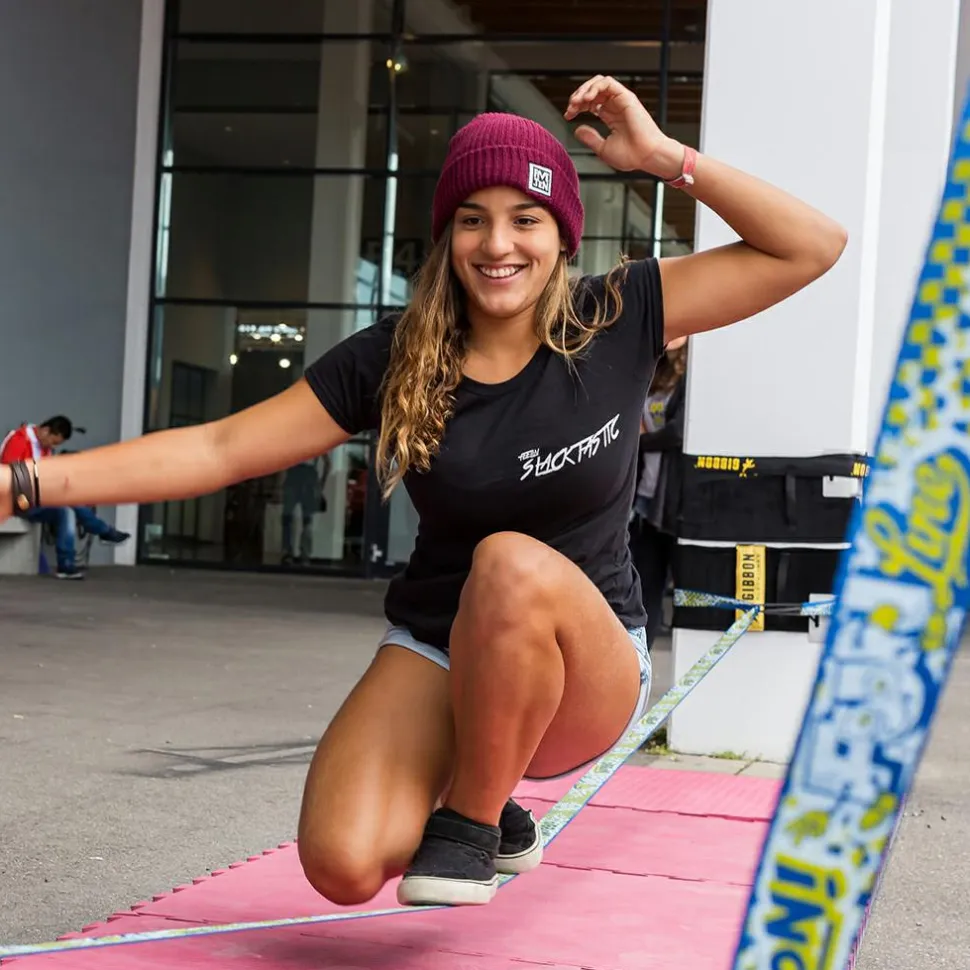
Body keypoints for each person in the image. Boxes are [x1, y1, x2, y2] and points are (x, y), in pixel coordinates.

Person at [0, 77, 846, 906]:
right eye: (472, 219)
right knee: (343, 863)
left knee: (510, 563)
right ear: (446, 236)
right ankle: (491, 794)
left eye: (525, 218)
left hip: (585, 668)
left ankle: (472, 820)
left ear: (563, 235)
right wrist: (26, 481)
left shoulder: (618, 314)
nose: (498, 243)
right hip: (441, 645)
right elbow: (220, 448)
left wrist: (665, 159)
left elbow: (811, 245)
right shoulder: (394, 354)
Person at [0, 416, 130, 579]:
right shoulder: (19, 440)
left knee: (66, 508)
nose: (53, 447)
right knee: (64, 503)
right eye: (54, 442)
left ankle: (66, 564)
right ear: (45, 431)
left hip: (32, 496)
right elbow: (10, 475)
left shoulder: (43, 447)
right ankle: (103, 531)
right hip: (15, 499)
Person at [631, 336, 687, 646]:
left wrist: (638, 441)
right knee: (644, 590)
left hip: (675, 503)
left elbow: (679, 433)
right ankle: (642, 658)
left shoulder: (690, 378)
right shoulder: (653, 370)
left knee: (682, 590)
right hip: (645, 501)